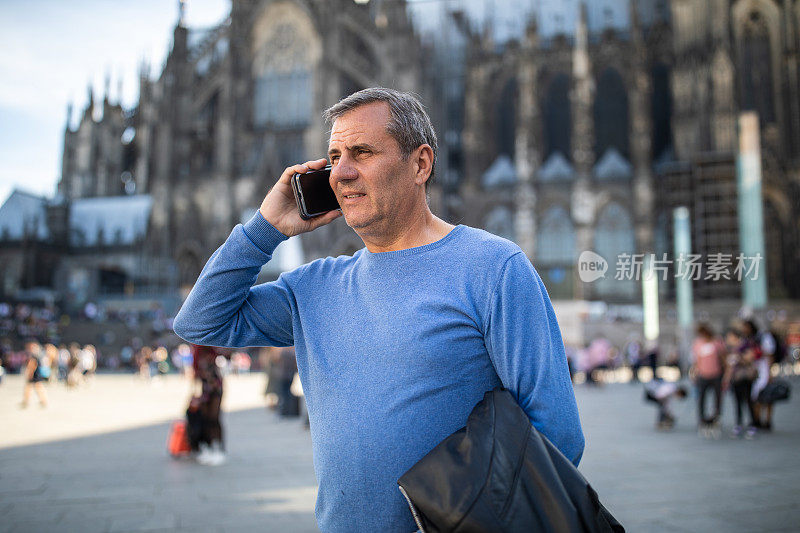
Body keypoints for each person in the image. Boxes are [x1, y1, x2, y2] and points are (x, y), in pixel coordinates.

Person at [173, 87, 583, 532]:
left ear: (420, 164)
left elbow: (556, 434)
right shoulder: (314, 286)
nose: (341, 173)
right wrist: (264, 230)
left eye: (362, 152)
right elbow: (200, 320)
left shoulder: (493, 267)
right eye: (333, 157)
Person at [191, 344, 225, 466]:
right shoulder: (199, 351)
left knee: (213, 418)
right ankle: (209, 447)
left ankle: (218, 448)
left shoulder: (209, 350)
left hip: (214, 389)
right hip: (206, 389)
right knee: (206, 419)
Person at [690, 323, 726, 434]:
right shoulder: (697, 343)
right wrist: (694, 373)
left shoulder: (716, 342)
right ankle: (702, 418)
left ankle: (716, 417)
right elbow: (696, 361)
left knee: (717, 397)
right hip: (702, 375)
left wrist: (726, 374)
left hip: (716, 374)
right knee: (701, 398)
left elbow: (723, 358)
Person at [723, 328, 758, 439]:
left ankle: (753, 424)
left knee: (748, 401)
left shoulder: (745, 346)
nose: (728, 339)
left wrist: (739, 356)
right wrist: (726, 379)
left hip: (745, 378)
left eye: (729, 337)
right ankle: (739, 424)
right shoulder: (730, 349)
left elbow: (750, 359)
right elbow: (729, 367)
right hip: (735, 379)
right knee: (737, 402)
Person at [20, 340, 49, 408]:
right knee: (35, 387)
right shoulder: (38, 355)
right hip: (37, 373)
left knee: (31, 387)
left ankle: (27, 401)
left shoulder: (33, 356)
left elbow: (32, 365)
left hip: (34, 374)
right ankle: (42, 400)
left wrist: (30, 373)